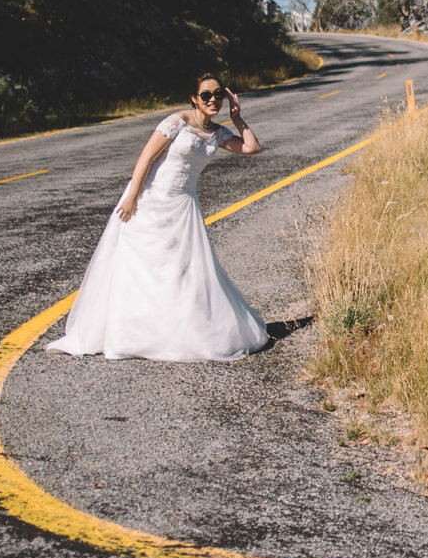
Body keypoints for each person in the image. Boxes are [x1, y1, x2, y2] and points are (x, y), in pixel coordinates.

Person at [48, 72, 269, 361]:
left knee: (182, 270)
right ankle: (132, 331)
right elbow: (146, 158)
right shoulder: (177, 122)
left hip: (184, 206)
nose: (213, 100)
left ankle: (177, 330)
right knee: (143, 266)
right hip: (151, 200)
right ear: (194, 98)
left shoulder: (218, 133)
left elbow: (252, 147)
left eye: (218, 95)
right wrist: (131, 198)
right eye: (206, 95)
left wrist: (237, 117)